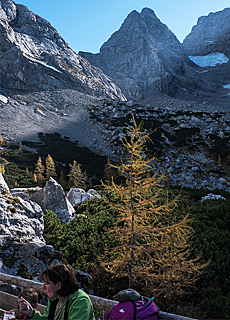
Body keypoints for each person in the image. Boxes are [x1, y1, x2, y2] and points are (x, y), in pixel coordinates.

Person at [18, 263, 95, 320]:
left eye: (47, 283)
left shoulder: (80, 301)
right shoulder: (54, 299)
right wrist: (31, 313)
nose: (43, 287)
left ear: (58, 285)